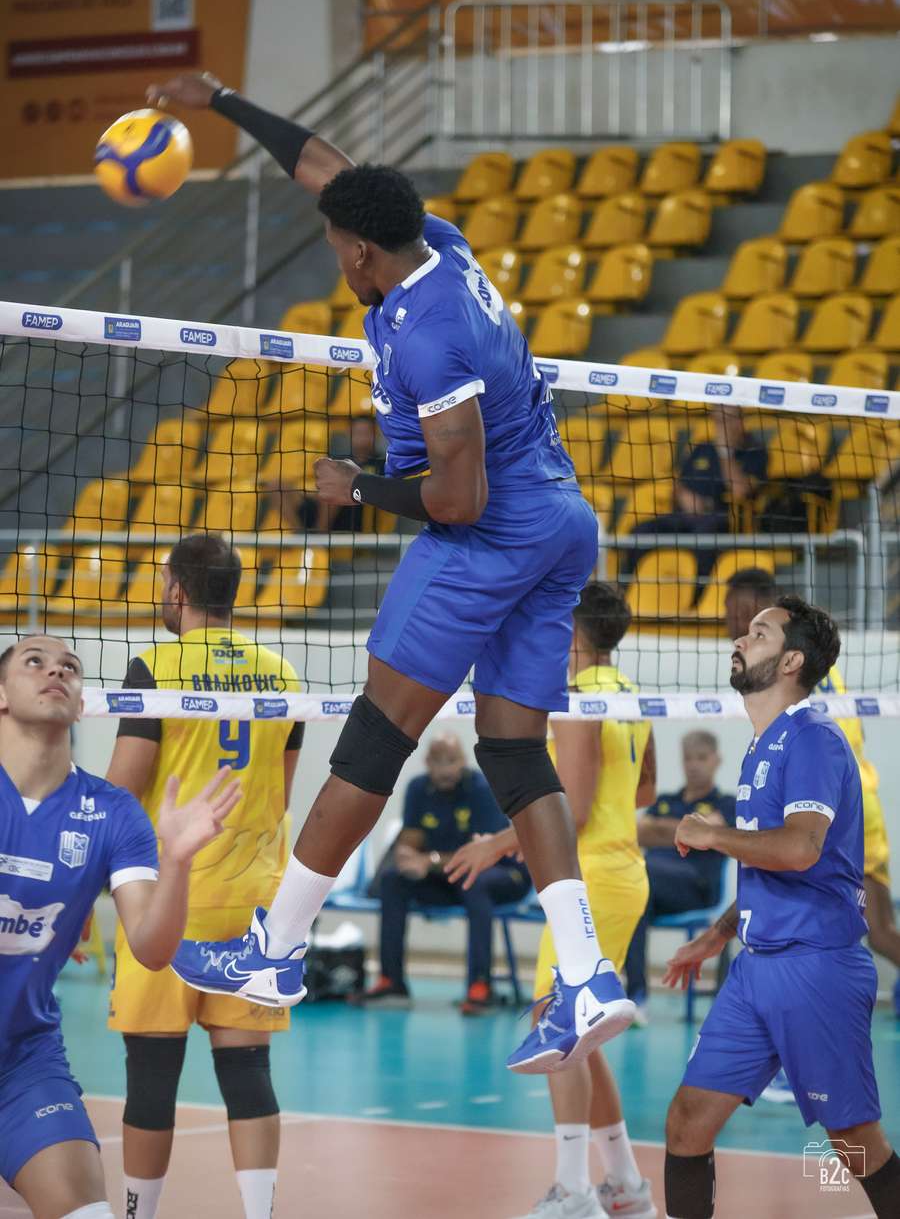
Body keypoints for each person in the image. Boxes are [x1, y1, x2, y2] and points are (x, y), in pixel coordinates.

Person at [148, 71, 636, 1072]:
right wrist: (226, 102)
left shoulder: (430, 333)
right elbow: (329, 169)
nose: (333, 255)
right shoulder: (439, 247)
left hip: (487, 535)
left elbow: (458, 501)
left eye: (337, 247)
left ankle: (276, 951)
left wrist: (356, 485)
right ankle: (585, 976)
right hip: (561, 522)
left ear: (361, 252)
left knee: (375, 736)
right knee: (512, 751)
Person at [662, 596, 899, 1219]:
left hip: (815, 969)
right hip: (756, 968)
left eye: (759, 633)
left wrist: (712, 834)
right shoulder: (763, 744)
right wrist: (722, 930)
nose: (741, 639)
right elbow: (771, 859)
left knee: (856, 1148)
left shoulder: (815, 739)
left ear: (792, 660)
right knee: (687, 1123)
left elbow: (799, 849)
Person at [0, 634, 241, 1219]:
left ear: (82, 703)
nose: (55, 669)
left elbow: (153, 950)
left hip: (22, 1062)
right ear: (1, 695)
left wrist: (178, 861)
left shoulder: (113, 811)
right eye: (34, 661)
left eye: (70, 667)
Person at [104, 533, 302, 1219]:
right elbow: (277, 792)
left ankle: (137, 1214)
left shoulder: (155, 665)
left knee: (152, 1079)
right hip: (254, 906)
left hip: (171, 899)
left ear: (177, 590)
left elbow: (122, 794)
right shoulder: (281, 672)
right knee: (248, 1075)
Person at [446, 583, 658, 1219]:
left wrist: (495, 843)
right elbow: (644, 790)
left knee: (557, 1028)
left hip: (590, 876)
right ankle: (625, 1183)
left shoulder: (578, 699)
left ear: (571, 636)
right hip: (624, 871)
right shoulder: (634, 696)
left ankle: (574, 1190)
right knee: (579, 1036)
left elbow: (574, 808)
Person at [726, 568, 899, 1021]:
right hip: (824, 807)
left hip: (841, 814)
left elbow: (820, 764)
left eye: (748, 619)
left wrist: (712, 835)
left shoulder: (808, 711)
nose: (735, 627)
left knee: (877, 931)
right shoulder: (771, 721)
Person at [356, 732, 530, 1013]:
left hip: (501, 875)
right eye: (438, 761)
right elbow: (412, 839)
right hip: (449, 877)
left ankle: (480, 986)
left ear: (463, 760)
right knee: (392, 880)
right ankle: (392, 982)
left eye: (451, 760)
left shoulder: (481, 789)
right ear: (426, 762)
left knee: (475, 882)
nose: (445, 768)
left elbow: (484, 855)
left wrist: (428, 860)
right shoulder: (417, 789)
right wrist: (406, 854)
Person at [623, 732, 735, 1014]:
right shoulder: (665, 799)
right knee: (634, 899)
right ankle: (636, 998)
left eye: (701, 757)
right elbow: (638, 833)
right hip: (654, 887)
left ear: (716, 760)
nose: (694, 765)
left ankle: (635, 995)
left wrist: (660, 829)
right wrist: (688, 831)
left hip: (697, 889)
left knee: (640, 873)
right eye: (688, 758)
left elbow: (703, 832)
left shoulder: (726, 803)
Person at [625, 407, 767, 582]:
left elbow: (740, 490)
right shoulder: (703, 448)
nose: (719, 426)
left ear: (739, 422)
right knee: (641, 531)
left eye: (724, 420)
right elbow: (678, 483)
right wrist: (683, 495)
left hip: (725, 518)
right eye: (716, 420)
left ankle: (697, 596)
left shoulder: (755, 452)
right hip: (686, 515)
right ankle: (629, 589)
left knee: (703, 536)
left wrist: (724, 452)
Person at [266, 414, 385, 533]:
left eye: (366, 433)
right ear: (349, 434)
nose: (362, 438)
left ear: (376, 435)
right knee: (276, 486)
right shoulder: (340, 460)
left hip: (354, 512)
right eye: (358, 433)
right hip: (323, 505)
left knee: (336, 484)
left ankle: (320, 535)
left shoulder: (381, 463)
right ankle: (300, 534)